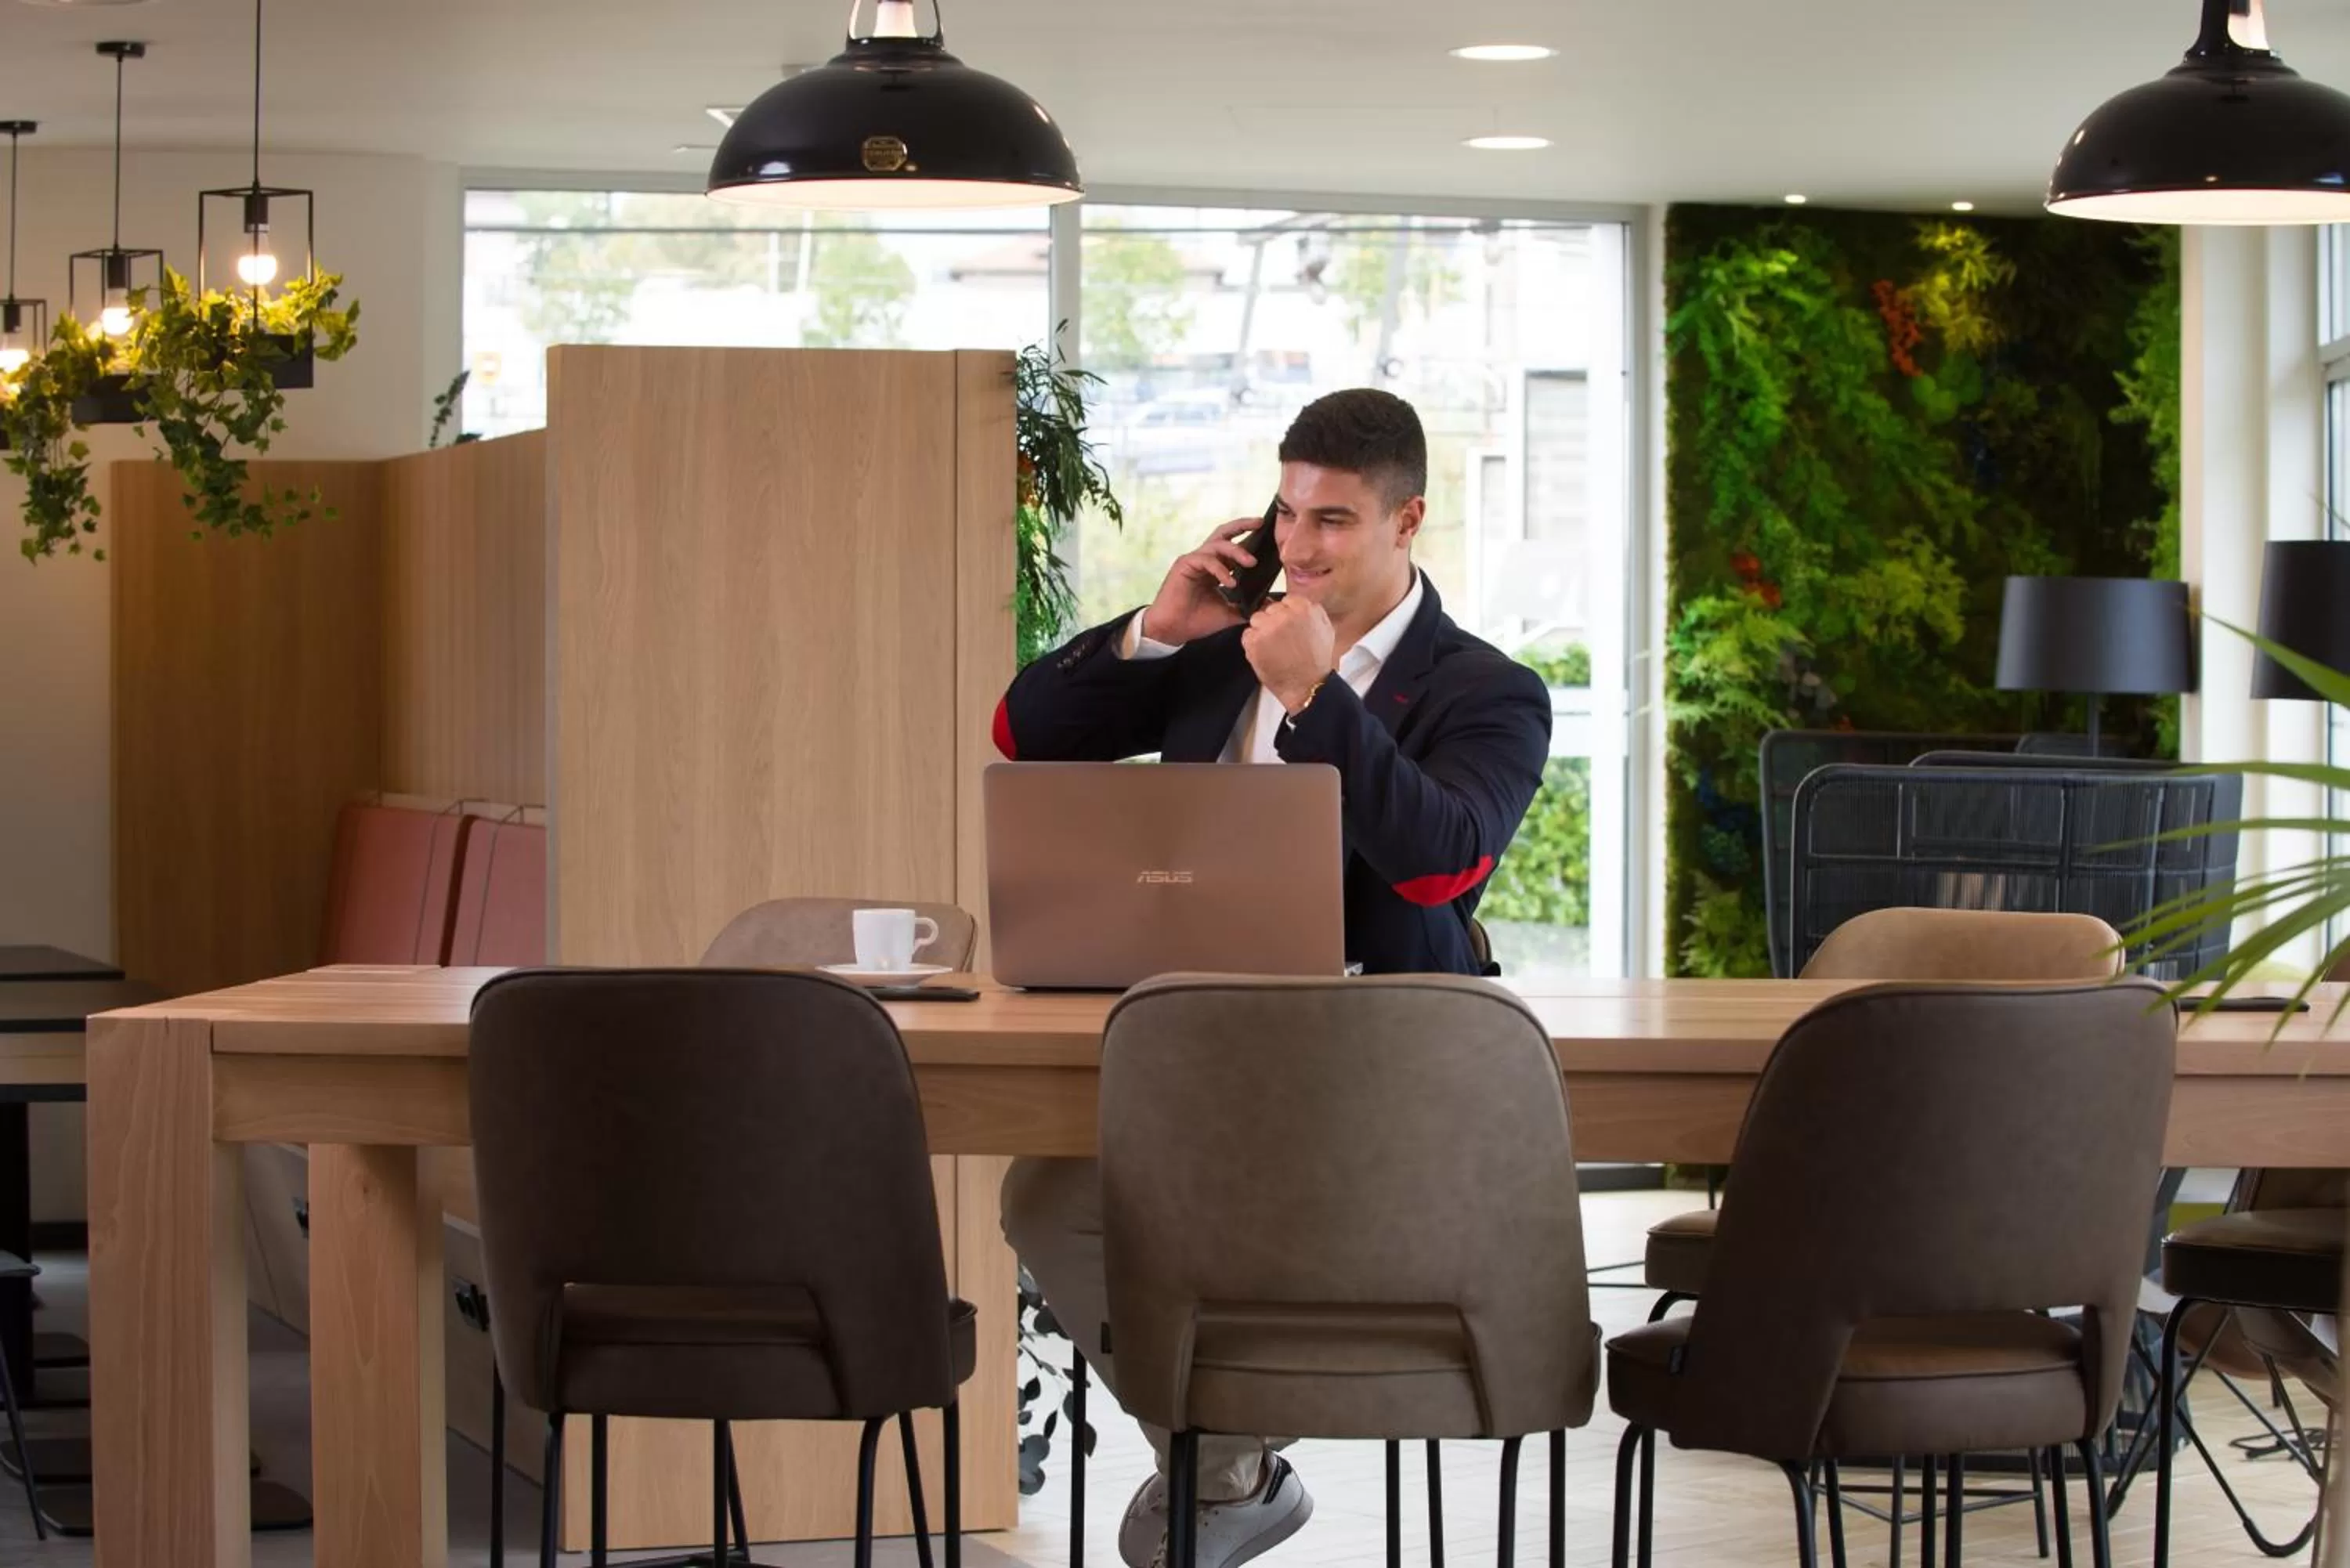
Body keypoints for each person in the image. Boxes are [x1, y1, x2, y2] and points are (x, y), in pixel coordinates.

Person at [992, 388, 1552, 1568]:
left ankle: (1216, 1463)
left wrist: (1317, 694)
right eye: (1288, 511)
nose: (1297, 545)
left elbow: (1442, 866)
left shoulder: (1489, 691)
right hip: (1193, 1045)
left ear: (1409, 522)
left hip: (1374, 1063)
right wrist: (1161, 622)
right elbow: (1025, 728)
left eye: (1334, 520)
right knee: (1044, 1196)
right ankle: (1233, 1453)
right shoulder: (1223, 648)